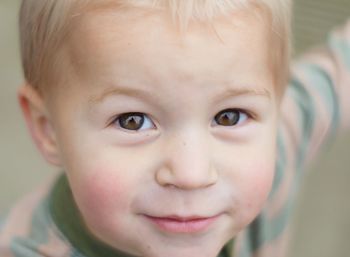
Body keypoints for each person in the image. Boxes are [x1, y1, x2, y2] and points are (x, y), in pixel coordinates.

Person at [0, 0, 349, 257]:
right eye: (132, 121)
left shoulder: (278, 141)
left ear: (277, 102)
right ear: (48, 130)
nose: (191, 174)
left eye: (228, 116)